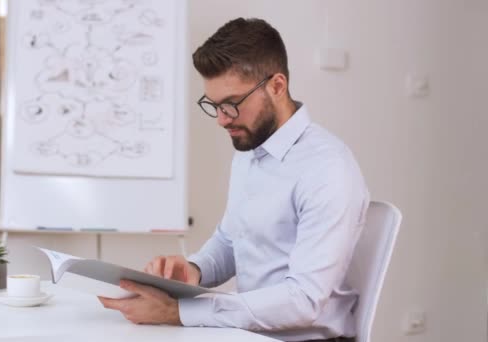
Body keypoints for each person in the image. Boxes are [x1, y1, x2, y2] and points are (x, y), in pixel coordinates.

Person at [99, 17, 369, 342]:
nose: (222, 120)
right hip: (251, 334)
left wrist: (178, 313)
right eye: (214, 106)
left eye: (231, 104)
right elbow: (230, 240)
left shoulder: (327, 168)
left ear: (277, 86)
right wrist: (193, 271)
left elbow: (304, 300)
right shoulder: (249, 150)